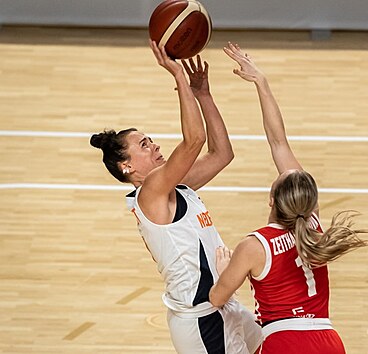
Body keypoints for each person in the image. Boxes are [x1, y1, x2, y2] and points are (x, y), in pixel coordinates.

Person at [90, 41, 262, 354]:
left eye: (151, 140)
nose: (154, 146)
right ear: (126, 166)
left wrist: (203, 94)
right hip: (201, 320)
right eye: (144, 145)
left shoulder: (176, 187)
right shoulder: (150, 193)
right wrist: (179, 77)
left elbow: (222, 153)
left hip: (225, 304)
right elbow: (194, 139)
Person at [207, 42, 368, 354]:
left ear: (271, 199)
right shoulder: (313, 226)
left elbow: (217, 298)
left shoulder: (254, 245)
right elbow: (279, 142)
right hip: (329, 340)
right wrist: (261, 83)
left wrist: (222, 269)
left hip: (284, 342)